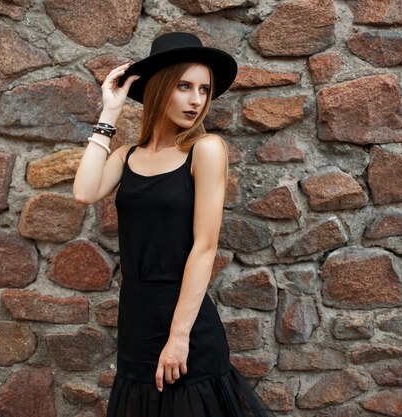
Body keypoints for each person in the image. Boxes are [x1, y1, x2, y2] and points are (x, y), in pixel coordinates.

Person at [73, 31, 275, 417]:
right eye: (184, 86)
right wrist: (109, 114)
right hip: (135, 319)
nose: (196, 100)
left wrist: (179, 336)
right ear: (160, 88)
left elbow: (205, 247)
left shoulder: (206, 150)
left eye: (203, 89)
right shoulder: (127, 156)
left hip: (186, 324)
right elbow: (84, 192)